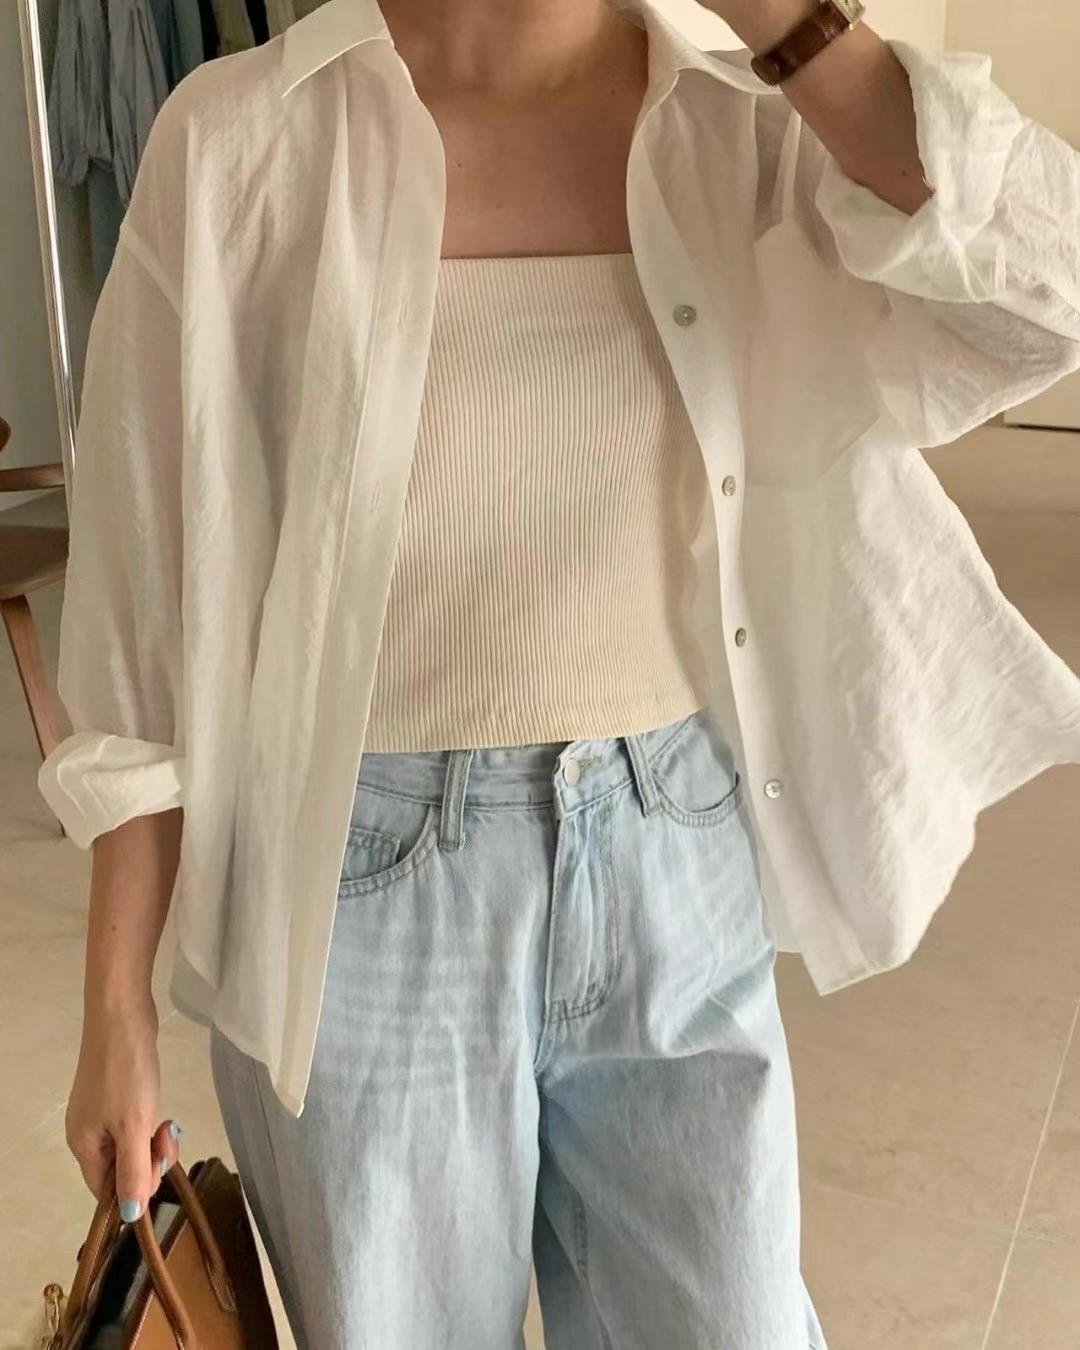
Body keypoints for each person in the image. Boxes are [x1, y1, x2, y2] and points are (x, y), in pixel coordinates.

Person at [45, 0, 1080, 1345]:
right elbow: (141, 604)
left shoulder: (747, 125)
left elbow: (1045, 294)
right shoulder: (247, 138)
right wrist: (114, 1005)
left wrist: (796, 28)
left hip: (675, 842)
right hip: (360, 890)